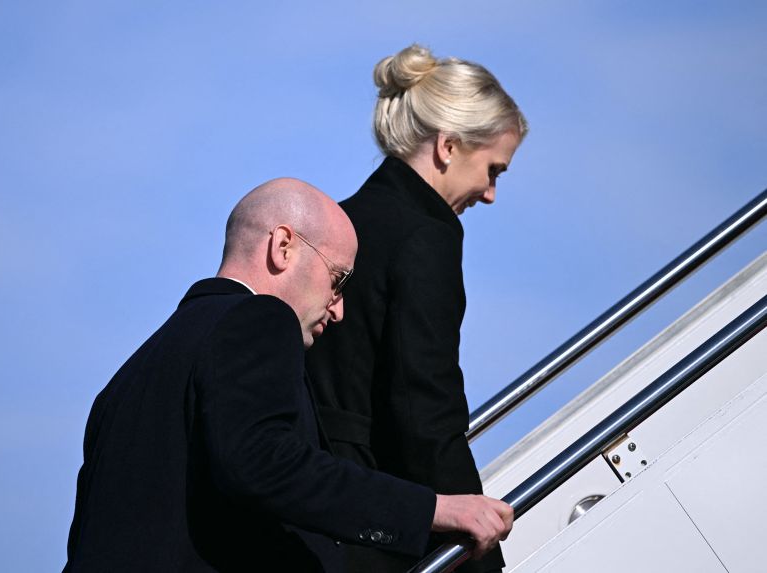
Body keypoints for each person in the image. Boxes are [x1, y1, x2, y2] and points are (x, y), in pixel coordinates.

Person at [63, 178, 513, 572]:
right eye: (338, 280)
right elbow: (267, 464)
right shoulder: (259, 318)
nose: (338, 309)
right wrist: (433, 509)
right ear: (283, 247)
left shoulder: (129, 379)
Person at [305, 45, 528, 572]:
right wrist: (476, 553)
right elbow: (423, 404)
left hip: (315, 497)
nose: (491, 193)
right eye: (493, 169)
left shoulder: (346, 219)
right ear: (448, 146)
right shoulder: (425, 235)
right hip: (372, 517)